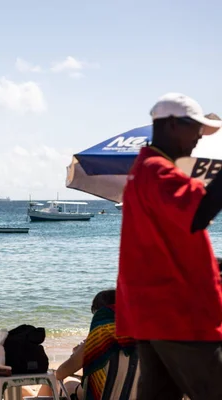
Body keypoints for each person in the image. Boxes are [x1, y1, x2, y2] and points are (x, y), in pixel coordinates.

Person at [118, 93, 222, 400]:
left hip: (152, 312)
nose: (198, 141)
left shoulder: (142, 170)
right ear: (174, 125)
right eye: (196, 132)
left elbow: (164, 242)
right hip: (178, 312)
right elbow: (200, 212)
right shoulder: (159, 170)